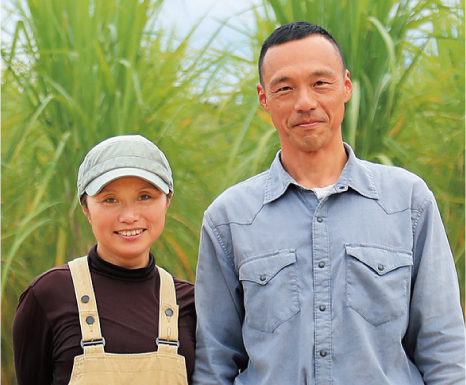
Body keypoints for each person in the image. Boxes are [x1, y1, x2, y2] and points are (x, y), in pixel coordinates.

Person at [192, 21, 466, 385]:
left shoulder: (409, 202)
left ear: (346, 86)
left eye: (321, 83)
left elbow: (444, 348)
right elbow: (214, 362)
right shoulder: (229, 219)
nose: (305, 103)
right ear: (264, 99)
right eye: (285, 88)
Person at [13, 135, 195, 385]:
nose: (130, 216)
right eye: (110, 200)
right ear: (86, 209)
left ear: (167, 202)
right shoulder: (48, 295)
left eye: (145, 197)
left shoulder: (190, 303)